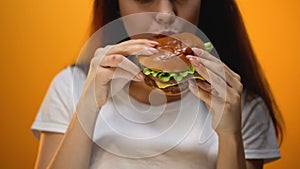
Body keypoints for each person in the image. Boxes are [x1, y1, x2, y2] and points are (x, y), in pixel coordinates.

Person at [31, 0, 284, 169]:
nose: (166, 14)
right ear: (116, 5)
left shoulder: (240, 105)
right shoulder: (70, 86)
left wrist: (230, 137)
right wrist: (87, 107)